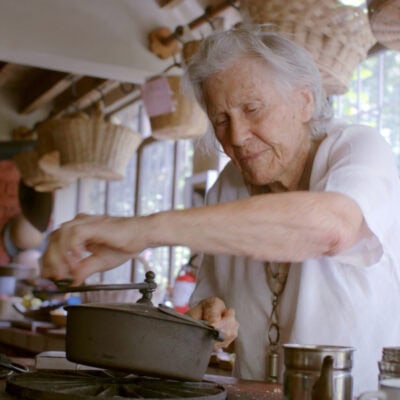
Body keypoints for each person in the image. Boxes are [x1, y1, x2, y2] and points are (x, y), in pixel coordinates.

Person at [40, 25, 400, 395]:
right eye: (221, 120)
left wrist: (143, 230)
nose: (236, 137)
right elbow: (213, 306)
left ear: (305, 101)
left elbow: (331, 226)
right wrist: (213, 318)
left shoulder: (357, 149)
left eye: (253, 109)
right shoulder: (226, 187)